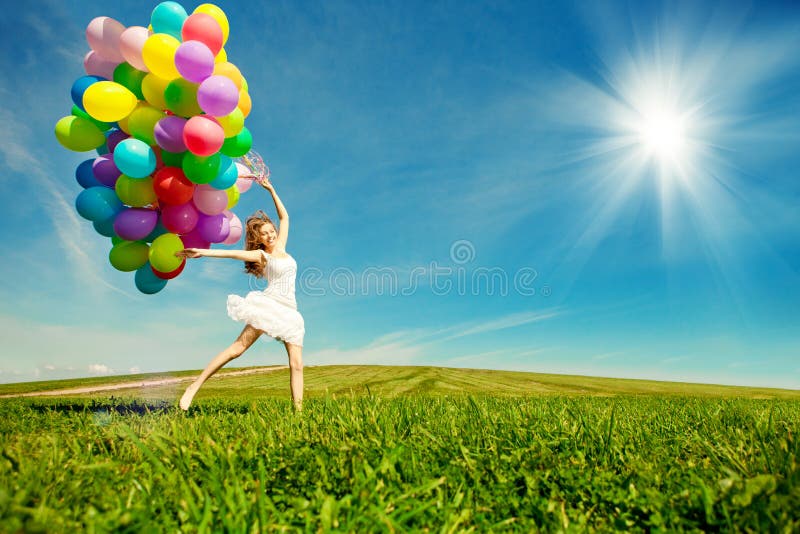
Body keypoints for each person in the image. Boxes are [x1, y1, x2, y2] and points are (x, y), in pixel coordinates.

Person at [175, 177, 305, 411]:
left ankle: (299, 413)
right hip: (269, 306)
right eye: (264, 234)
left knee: (297, 365)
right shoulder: (262, 256)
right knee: (237, 349)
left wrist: (271, 189)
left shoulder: (283, 246)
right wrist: (202, 253)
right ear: (260, 240)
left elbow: (285, 217)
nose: (269, 235)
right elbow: (231, 254)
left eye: (270, 231)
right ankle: (193, 387)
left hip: (291, 312)